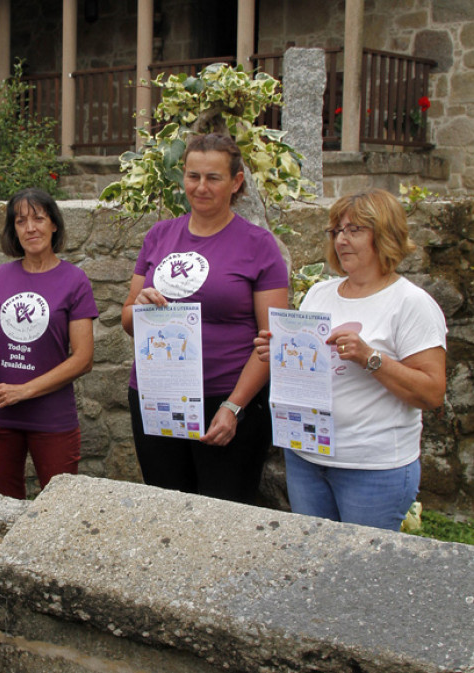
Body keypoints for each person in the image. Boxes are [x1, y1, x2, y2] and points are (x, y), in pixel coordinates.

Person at [255, 189, 446, 530]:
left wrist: (370, 357)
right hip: (306, 457)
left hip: (372, 468)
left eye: (355, 230)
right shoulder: (320, 293)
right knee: (316, 566)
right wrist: (282, 353)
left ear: (385, 235)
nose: (342, 239)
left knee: (365, 575)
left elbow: (431, 393)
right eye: (337, 231)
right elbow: (312, 365)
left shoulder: (411, 303)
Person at [121, 133, 289, 504]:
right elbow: (128, 317)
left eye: (213, 177)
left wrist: (234, 407)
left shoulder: (258, 245)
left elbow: (272, 339)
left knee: (223, 515)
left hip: (226, 401)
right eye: (193, 176)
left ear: (236, 182)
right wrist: (141, 307)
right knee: (167, 508)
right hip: (158, 394)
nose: (200, 187)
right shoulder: (159, 236)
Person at [0, 188, 97, 499]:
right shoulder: (0, 277)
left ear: (53, 224)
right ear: (13, 231)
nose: (30, 228)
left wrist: (24, 391)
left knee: (59, 509)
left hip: (51, 416)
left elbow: (83, 359)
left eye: (38, 219)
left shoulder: (74, 280)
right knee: (3, 506)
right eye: (20, 221)